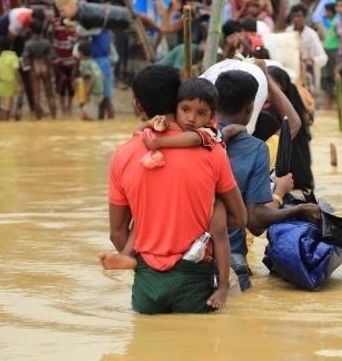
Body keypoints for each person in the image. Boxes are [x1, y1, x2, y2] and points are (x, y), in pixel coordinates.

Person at [104, 65, 247, 314]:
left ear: (138, 106)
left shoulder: (123, 154)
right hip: (195, 282)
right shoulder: (212, 149)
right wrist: (212, 215)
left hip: (147, 288)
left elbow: (117, 233)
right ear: (176, 101)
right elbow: (240, 218)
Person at [205, 67, 318, 290]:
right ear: (249, 109)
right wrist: (297, 207)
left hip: (181, 256)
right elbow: (255, 222)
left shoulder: (190, 137)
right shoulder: (256, 150)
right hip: (230, 260)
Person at [286, 4, 328, 91]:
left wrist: (310, 61)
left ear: (304, 17)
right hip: (291, 73)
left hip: (307, 74)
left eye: (299, 16)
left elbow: (322, 57)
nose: (296, 19)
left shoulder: (311, 35)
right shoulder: (288, 32)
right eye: (293, 16)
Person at [22, 19, 56, 119]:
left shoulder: (28, 44)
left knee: (36, 96)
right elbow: (50, 57)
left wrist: (27, 70)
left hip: (34, 67)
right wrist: (50, 70)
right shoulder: (46, 42)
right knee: (50, 95)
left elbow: (25, 59)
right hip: (44, 66)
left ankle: (38, 119)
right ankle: (54, 118)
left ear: (31, 30)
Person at [50, 14, 77, 115]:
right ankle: (63, 107)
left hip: (70, 61)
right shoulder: (55, 23)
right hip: (60, 61)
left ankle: (68, 106)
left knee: (70, 85)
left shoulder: (75, 24)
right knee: (60, 85)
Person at [0, 37, 22, 121]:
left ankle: (2, 120)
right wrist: (20, 83)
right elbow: (16, 71)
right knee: (8, 104)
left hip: (1, 83)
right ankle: (6, 122)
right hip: (10, 82)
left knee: (2, 104)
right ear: (11, 46)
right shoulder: (13, 57)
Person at [75, 40, 103, 120]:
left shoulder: (84, 64)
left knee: (85, 118)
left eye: (78, 52)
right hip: (100, 91)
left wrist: (87, 93)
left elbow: (91, 79)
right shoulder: (92, 61)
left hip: (93, 93)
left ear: (81, 53)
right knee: (88, 115)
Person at [320, 3, 339, 109]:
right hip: (329, 50)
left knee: (329, 78)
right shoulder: (332, 22)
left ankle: (329, 106)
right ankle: (328, 107)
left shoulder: (337, 22)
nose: (325, 13)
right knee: (328, 79)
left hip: (333, 51)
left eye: (326, 11)